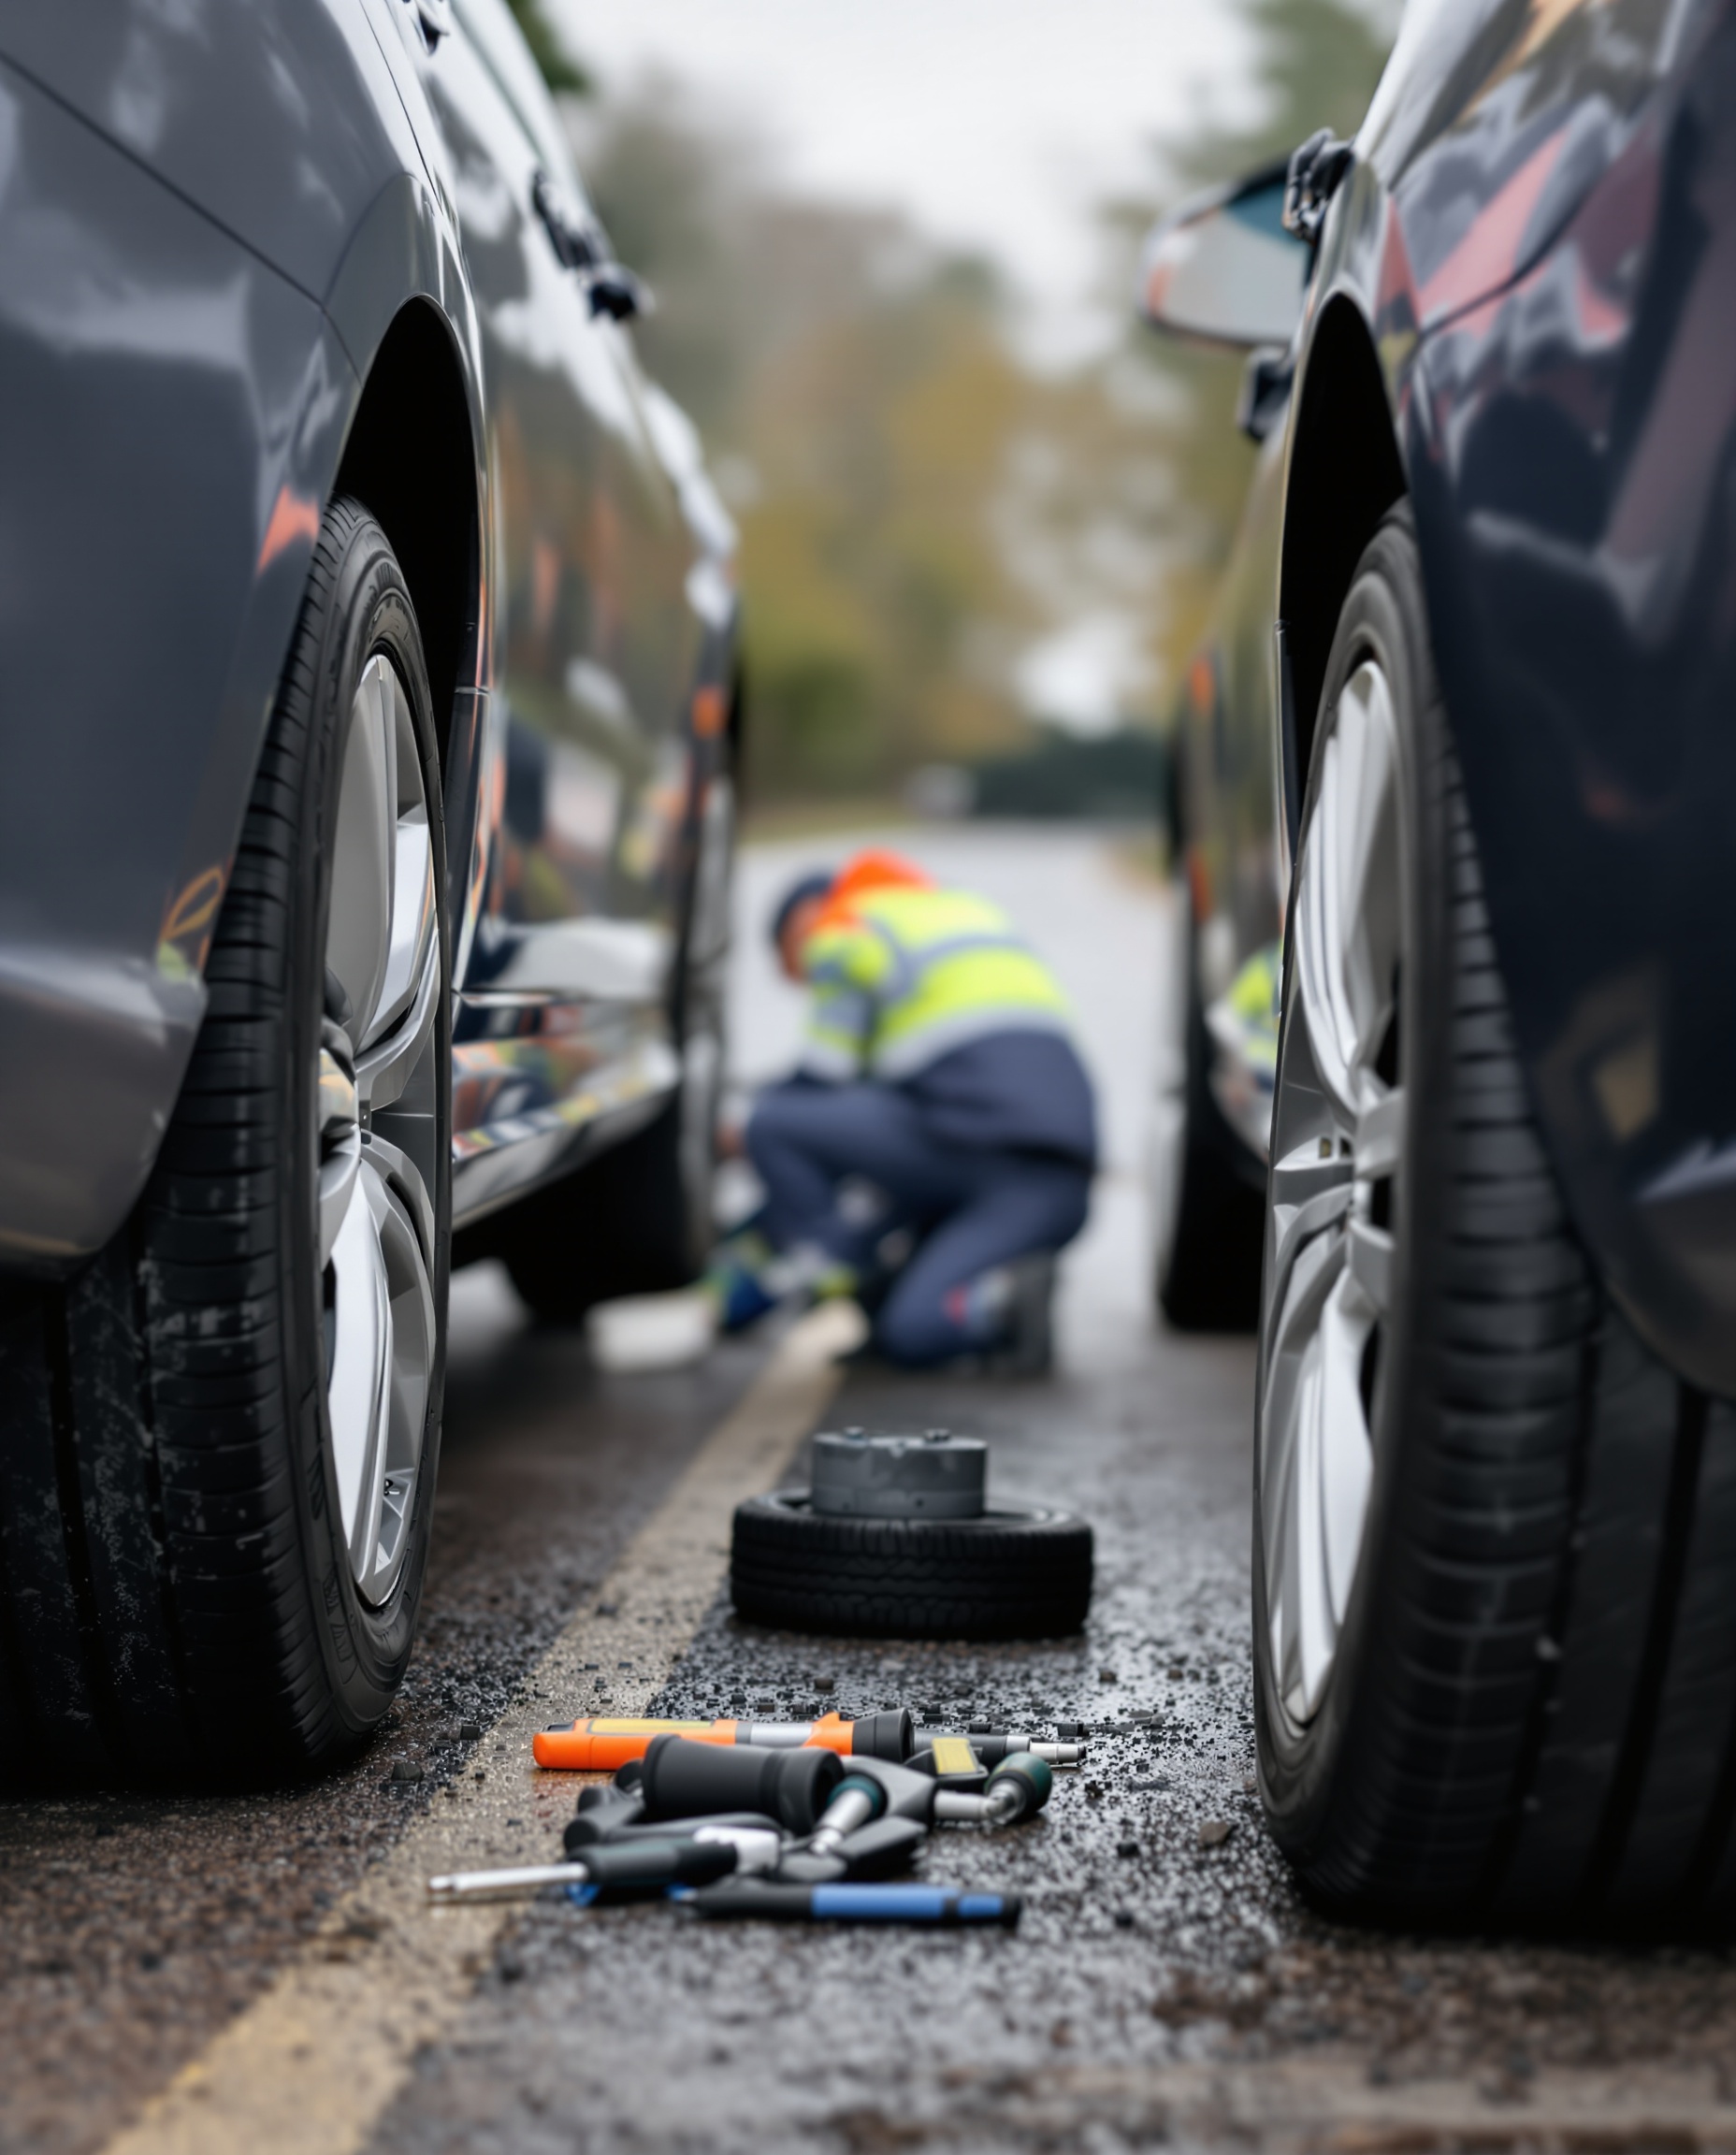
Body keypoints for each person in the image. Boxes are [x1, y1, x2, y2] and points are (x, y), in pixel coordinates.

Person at [710, 848, 1097, 1371]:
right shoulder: (962, 910)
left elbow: (823, 1079)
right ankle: (1006, 1305)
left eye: (792, 961)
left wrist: (742, 1135)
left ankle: (834, 1263)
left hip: (969, 1144)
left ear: (803, 922)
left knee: (774, 1124)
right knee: (910, 1330)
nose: (803, 978)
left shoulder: (843, 931)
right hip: (1055, 1183)